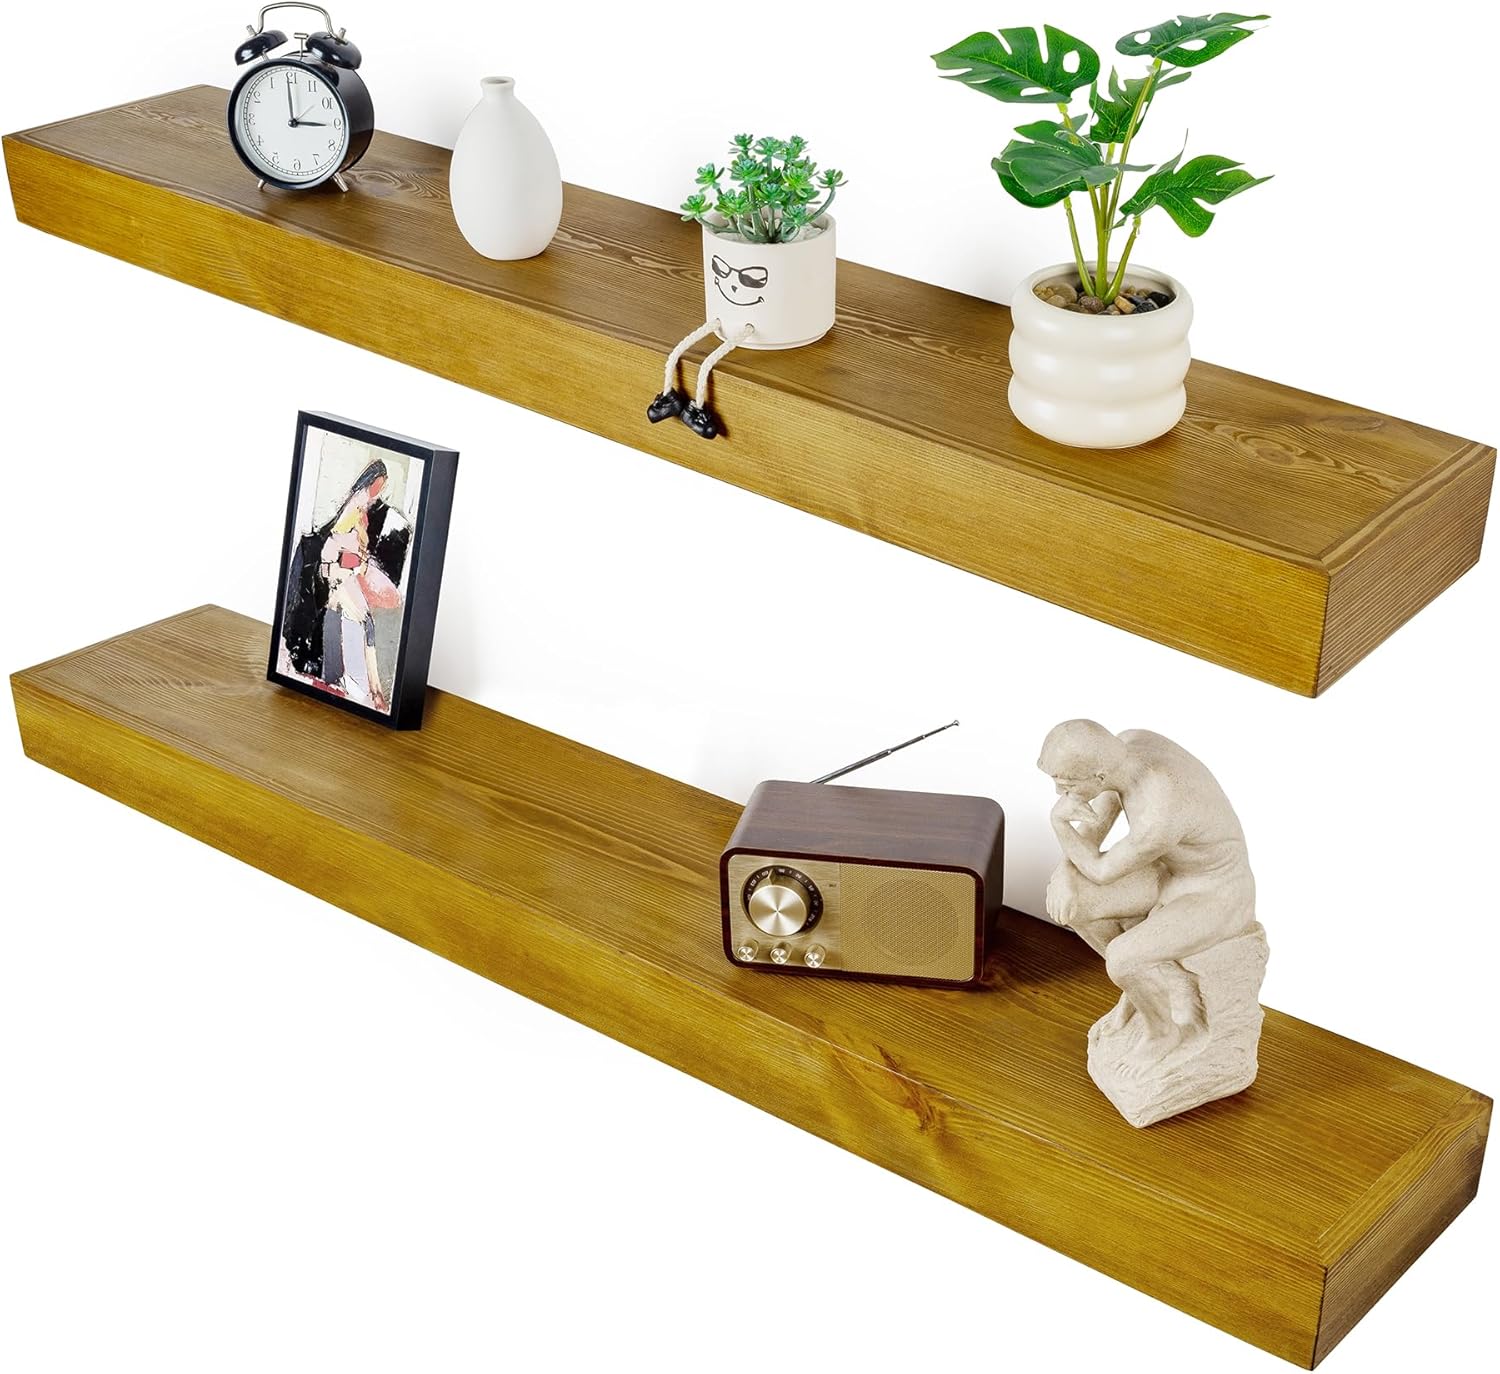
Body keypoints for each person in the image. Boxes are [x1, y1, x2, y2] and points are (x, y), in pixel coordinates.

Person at [1038, 719, 1257, 1069]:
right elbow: (1094, 828)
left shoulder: (1160, 811)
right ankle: (1143, 988)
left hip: (1216, 890)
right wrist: (1064, 873)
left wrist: (1059, 823)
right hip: (1168, 871)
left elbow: (1100, 869)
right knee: (1073, 903)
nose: (1058, 793)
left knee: (1123, 958)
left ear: (1098, 776)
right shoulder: (1128, 743)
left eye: (1066, 784)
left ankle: (1163, 1032)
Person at [281, 458, 410, 712]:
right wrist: (350, 564)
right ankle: (371, 691)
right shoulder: (353, 510)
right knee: (361, 622)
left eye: (381, 488)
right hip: (339, 580)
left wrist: (358, 563)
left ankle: (374, 692)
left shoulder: (363, 513)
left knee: (366, 624)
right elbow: (333, 549)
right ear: (369, 484)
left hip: (345, 578)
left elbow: (353, 553)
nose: (377, 494)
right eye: (376, 486)